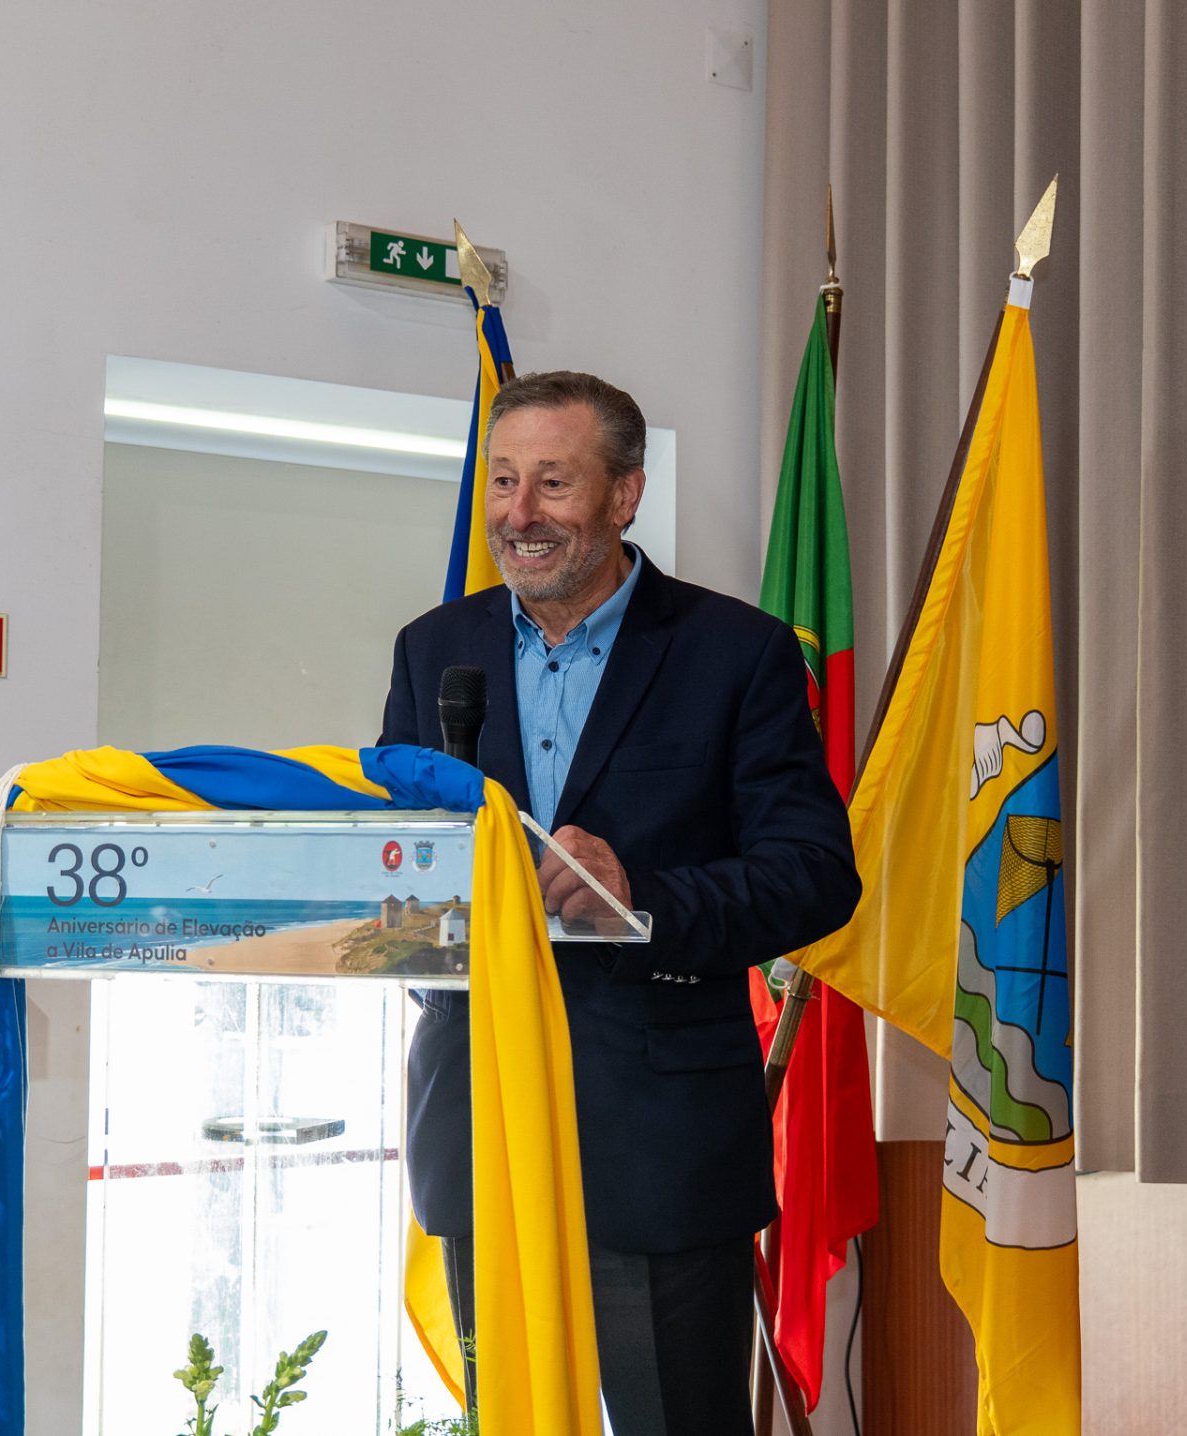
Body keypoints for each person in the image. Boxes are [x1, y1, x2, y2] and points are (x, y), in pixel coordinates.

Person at [379, 371, 858, 1436]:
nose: (520, 513)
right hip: (480, 1128)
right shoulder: (433, 649)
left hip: (661, 1147)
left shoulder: (736, 654)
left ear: (625, 493)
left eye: (554, 482)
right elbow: (396, 862)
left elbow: (816, 873)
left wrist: (641, 898)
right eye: (504, 481)